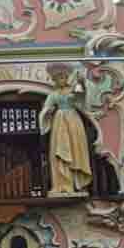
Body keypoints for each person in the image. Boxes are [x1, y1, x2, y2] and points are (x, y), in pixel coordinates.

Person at [39, 63, 93, 195]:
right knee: (59, 152)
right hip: (59, 123)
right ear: (55, 80)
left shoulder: (73, 89)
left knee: (75, 150)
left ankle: (76, 184)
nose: (61, 80)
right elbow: (45, 110)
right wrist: (47, 112)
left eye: (63, 77)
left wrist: (81, 82)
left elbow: (82, 98)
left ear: (67, 77)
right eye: (58, 78)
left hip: (73, 122)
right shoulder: (53, 94)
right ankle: (61, 185)